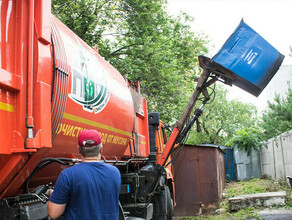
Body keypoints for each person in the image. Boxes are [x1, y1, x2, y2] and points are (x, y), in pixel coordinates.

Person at [47, 129, 121, 220]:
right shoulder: (115, 172)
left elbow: (54, 213)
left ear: (78, 149)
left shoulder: (68, 175)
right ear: (101, 148)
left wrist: (53, 195)